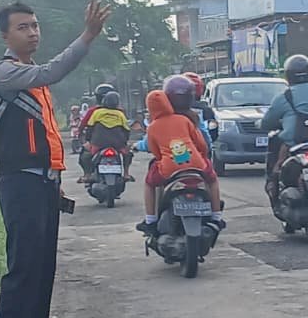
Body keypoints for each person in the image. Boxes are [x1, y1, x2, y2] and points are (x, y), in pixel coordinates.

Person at [0, 0, 112, 318]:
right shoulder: (7, 72)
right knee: (23, 266)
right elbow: (54, 71)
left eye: (35, 25)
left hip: (41, 181)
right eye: (23, 27)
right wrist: (87, 36)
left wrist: (55, 180)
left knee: (42, 266)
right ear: (5, 35)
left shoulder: (29, 77)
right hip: (20, 181)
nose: (32, 32)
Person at [136, 77, 224, 235]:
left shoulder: (154, 125)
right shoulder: (191, 118)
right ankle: (216, 216)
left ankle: (150, 220)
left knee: (150, 183)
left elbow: (153, 148)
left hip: (169, 168)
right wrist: (202, 156)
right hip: (197, 164)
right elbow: (203, 142)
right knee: (212, 180)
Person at [260, 54, 308, 201]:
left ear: (288, 75)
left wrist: (263, 124)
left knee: (277, 159)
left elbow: (266, 123)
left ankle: (273, 183)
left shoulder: (283, 97)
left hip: (294, 143)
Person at [81, 90, 135, 182]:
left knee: (85, 155)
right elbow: (126, 130)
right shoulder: (120, 114)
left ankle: (87, 175)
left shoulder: (97, 112)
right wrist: (125, 142)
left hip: (98, 143)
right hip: (118, 144)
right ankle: (126, 173)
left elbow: (90, 128)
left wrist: (88, 141)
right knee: (128, 154)